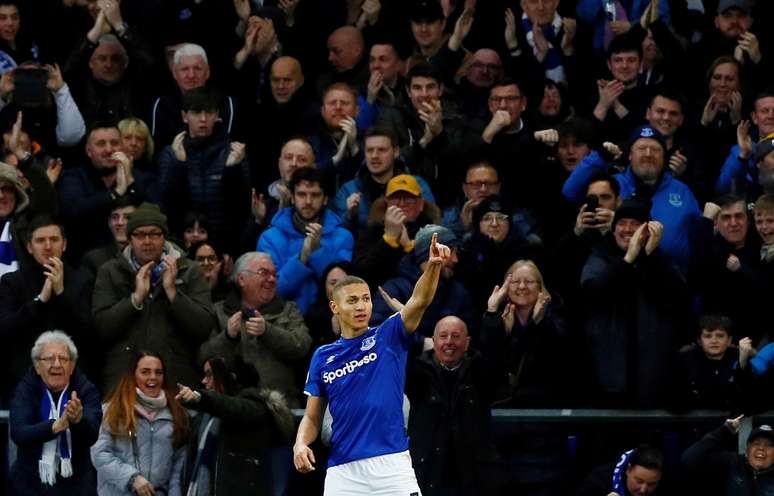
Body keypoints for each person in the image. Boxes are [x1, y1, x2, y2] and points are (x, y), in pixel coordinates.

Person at [293, 232, 453, 495]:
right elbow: (312, 416)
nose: (361, 306)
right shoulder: (323, 356)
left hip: (392, 466)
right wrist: (300, 444)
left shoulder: (388, 334)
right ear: (334, 307)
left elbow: (420, 300)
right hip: (343, 473)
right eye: (352, 300)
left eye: (366, 299)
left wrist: (434, 266)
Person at [92, 202, 216, 393]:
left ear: (164, 237)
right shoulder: (110, 271)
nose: (147, 241)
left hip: (176, 381)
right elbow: (101, 328)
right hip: (123, 381)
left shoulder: (189, 270)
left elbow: (204, 327)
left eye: (154, 234)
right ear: (129, 239)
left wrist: (173, 292)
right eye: (140, 234)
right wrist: (135, 299)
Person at [580, 199, 693, 407]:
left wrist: (650, 257)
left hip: (653, 374)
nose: (628, 229)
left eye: (635, 223)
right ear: (613, 230)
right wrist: (628, 260)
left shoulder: (661, 261)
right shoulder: (600, 256)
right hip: (608, 373)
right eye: (622, 223)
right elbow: (592, 294)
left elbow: (680, 299)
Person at [563, 125, 701, 271]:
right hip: (616, 273)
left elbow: (699, 237)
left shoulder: (682, 190)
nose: (648, 154)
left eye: (655, 149)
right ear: (629, 155)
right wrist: (599, 157)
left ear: (664, 156)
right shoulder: (612, 185)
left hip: (669, 280)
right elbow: (570, 192)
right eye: (641, 148)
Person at [199, 251, 312, 408]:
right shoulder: (217, 312)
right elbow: (203, 356)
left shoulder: (289, 310)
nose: (271, 279)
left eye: (274, 274)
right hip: (231, 408)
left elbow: (301, 346)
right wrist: (227, 337)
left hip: (281, 411)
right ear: (241, 279)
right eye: (263, 273)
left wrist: (268, 331)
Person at [0, 217, 93, 399]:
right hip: (23, 378)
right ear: (29, 247)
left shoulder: (82, 280)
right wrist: (40, 300)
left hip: (73, 381)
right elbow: (6, 329)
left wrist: (60, 293)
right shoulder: (12, 282)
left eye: (54, 239)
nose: (48, 246)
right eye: (40, 240)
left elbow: (88, 332)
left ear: (64, 244)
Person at [405, 316, 497, 495]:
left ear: (467, 341)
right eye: (443, 336)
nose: (449, 342)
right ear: (433, 341)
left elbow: (494, 356)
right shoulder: (418, 374)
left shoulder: (479, 374)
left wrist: (492, 316)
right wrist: (408, 321)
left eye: (455, 336)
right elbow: (402, 354)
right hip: (428, 478)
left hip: (473, 480)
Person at [178, 355, 295, 496]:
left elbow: (232, 408)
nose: (204, 381)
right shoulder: (206, 417)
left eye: (210, 375)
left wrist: (200, 398)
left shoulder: (254, 408)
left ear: (230, 378)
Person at [158, 85, 250, 255]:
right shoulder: (171, 153)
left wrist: (232, 169)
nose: (203, 119)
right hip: (181, 245)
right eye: (196, 113)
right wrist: (180, 166)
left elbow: (241, 208)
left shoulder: (233, 152)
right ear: (185, 116)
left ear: (216, 116)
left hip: (224, 246)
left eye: (208, 112)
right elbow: (167, 205)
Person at [9, 331, 101, 495]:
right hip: (29, 484)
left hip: (77, 484)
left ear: (72, 366)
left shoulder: (86, 389)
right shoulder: (26, 389)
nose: (57, 364)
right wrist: (55, 426)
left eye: (63, 359)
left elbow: (92, 435)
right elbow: (19, 433)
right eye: (49, 359)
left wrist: (78, 420)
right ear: (37, 366)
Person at [91, 350, 189, 495]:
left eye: (158, 372)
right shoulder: (112, 410)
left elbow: (178, 467)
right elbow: (99, 454)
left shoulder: (176, 413)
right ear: (133, 375)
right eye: (145, 372)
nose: (153, 377)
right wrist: (132, 478)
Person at [257, 166, 353, 314]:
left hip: (330, 320)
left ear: (325, 198)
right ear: (292, 198)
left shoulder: (343, 237)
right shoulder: (269, 238)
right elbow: (273, 292)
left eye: (315, 195)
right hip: (284, 322)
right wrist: (302, 257)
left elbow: (342, 290)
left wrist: (317, 252)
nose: (308, 201)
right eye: (301, 194)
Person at [57, 122, 157, 258]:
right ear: (88, 150)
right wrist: (115, 193)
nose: (109, 149)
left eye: (115, 143)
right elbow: (74, 212)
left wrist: (131, 183)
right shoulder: (73, 177)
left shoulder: (141, 178)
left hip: (136, 258)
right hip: (85, 259)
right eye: (101, 144)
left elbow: (156, 215)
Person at [372, 224, 473, 339]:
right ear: (429, 254)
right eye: (449, 252)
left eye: (456, 253)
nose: (455, 260)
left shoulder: (458, 292)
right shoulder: (394, 290)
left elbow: (468, 336)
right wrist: (421, 343)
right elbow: (378, 333)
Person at [332, 126, 435, 232]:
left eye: (382, 150)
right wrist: (349, 216)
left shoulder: (417, 185)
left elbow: (433, 226)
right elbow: (336, 237)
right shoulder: (348, 191)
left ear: (396, 152)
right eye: (369, 150)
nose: (374, 155)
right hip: (365, 247)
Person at [682, 416, 774, 495]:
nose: (761, 448)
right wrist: (724, 432)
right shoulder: (733, 462)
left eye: (769, 445)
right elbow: (690, 459)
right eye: (756, 443)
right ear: (747, 449)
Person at [674, 314, 741, 411]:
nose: (714, 341)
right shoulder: (684, 361)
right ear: (699, 340)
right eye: (708, 336)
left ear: (729, 340)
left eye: (720, 336)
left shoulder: (740, 358)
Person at [577, 445, 668, 496]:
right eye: (639, 481)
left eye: (651, 484)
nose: (643, 490)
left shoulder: (667, 484)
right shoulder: (599, 480)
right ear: (628, 470)